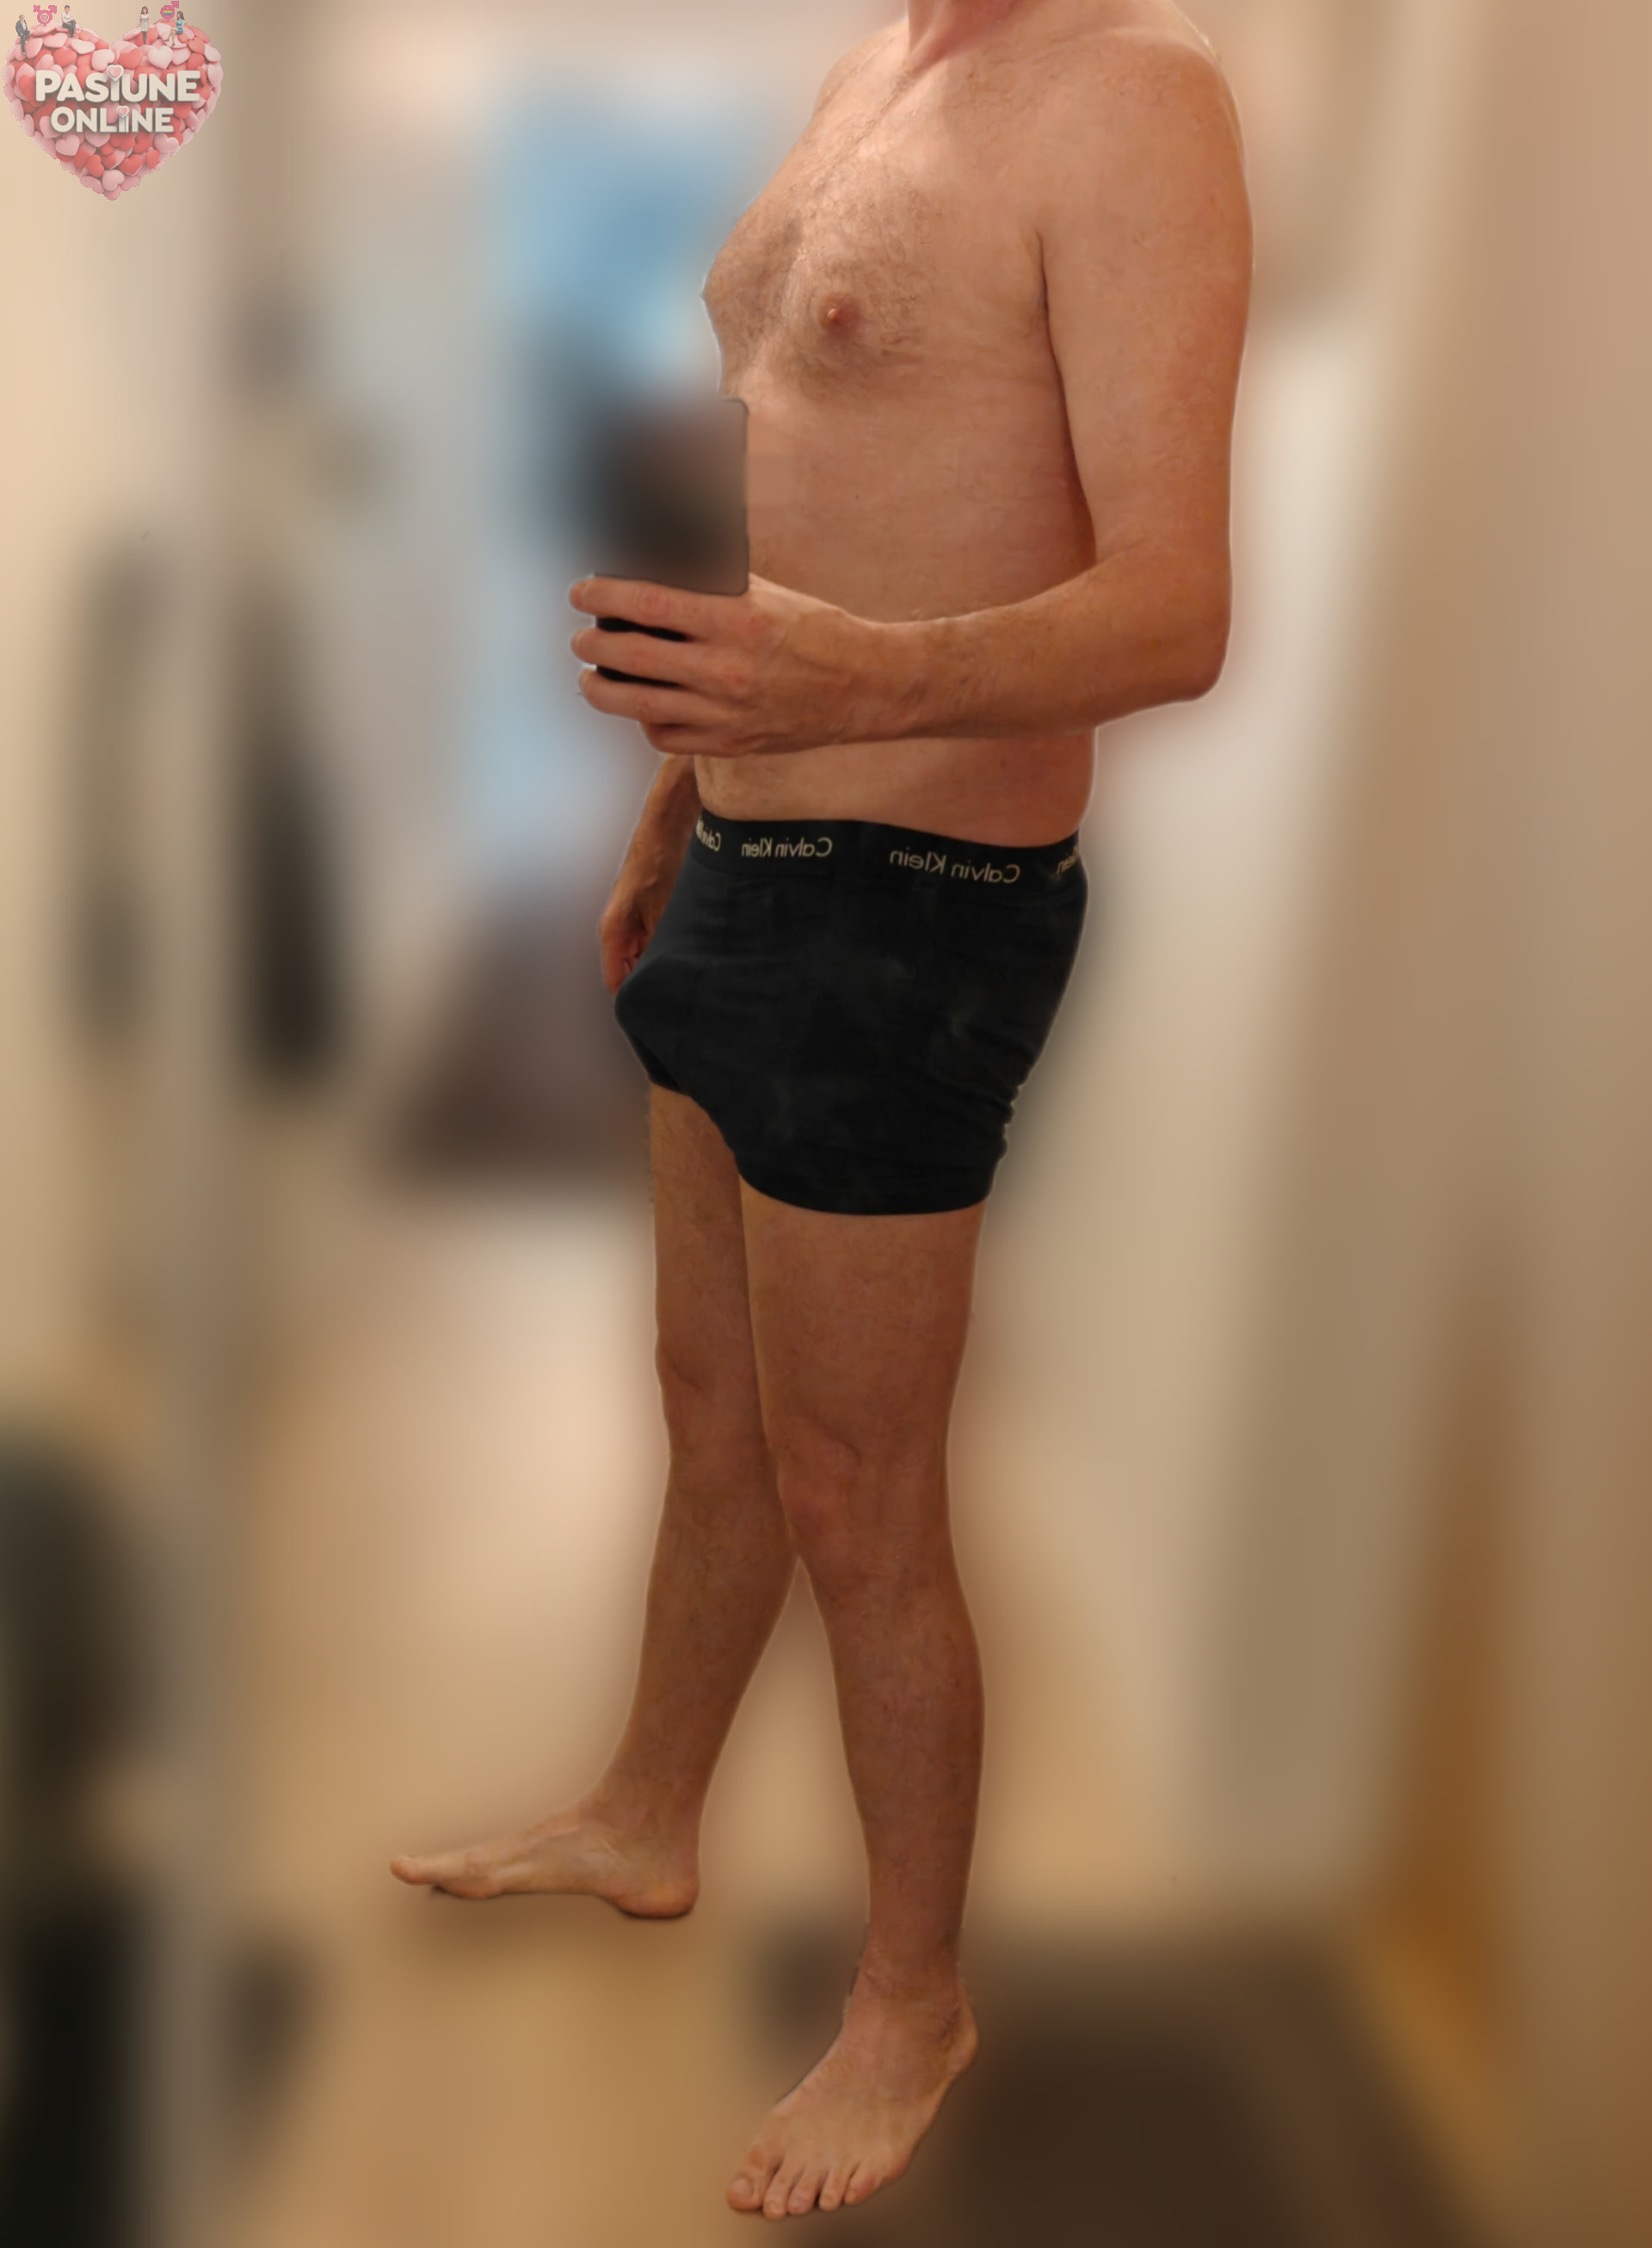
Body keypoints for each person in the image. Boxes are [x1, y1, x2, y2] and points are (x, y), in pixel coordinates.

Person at [392, 0, 1250, 2220]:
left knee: (864, 1498)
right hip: (748, 853)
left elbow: (1177, 613)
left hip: (916, 905)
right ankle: (645, 1817)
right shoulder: (874, 66)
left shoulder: (1138, 100)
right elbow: (804, 477)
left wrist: (855, 680)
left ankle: (911, 2003)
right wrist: (684, 799)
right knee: (710, 1405)